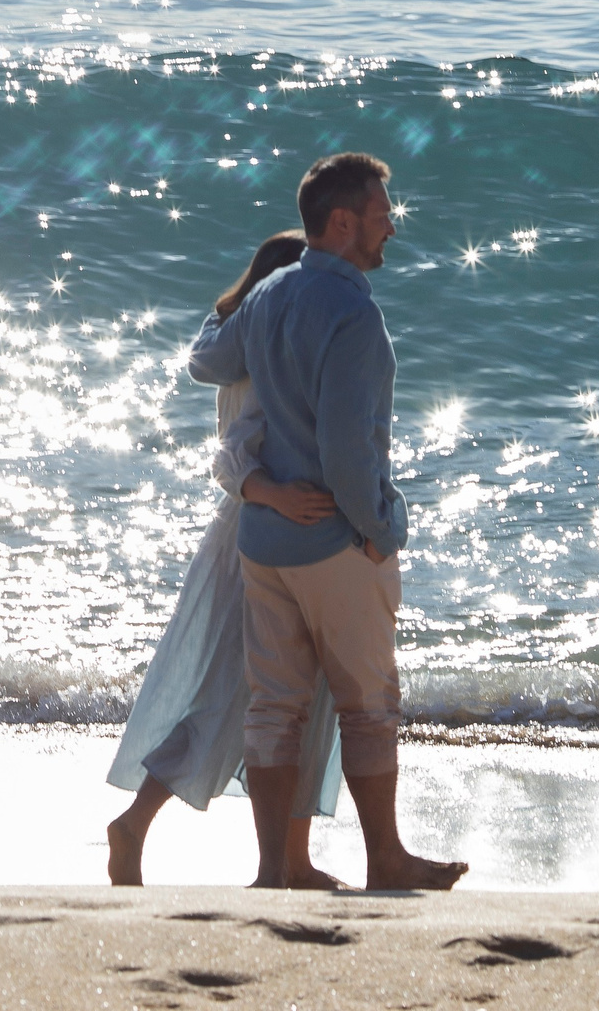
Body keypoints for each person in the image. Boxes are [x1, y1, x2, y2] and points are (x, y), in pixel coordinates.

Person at [187, 152, 467, 892]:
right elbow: (348, 449)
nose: (391, 229)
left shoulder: (272, 291)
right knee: (369, 706)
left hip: (264, 540)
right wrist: (380, 526)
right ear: (342, 224)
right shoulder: (355, 314)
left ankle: (276, 870)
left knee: (275, 706)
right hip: (332, 541)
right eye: (381, 216)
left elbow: (210, 361)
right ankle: (386, 859)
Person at [105, 230, 349, 889]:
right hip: (259, 534)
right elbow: (232, 453)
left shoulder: (254, 343)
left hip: (275, 530)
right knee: (239, 695)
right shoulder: (265, 349)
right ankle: (136, 824)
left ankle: (291, 857)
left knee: (297, 693)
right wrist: (270, 490)